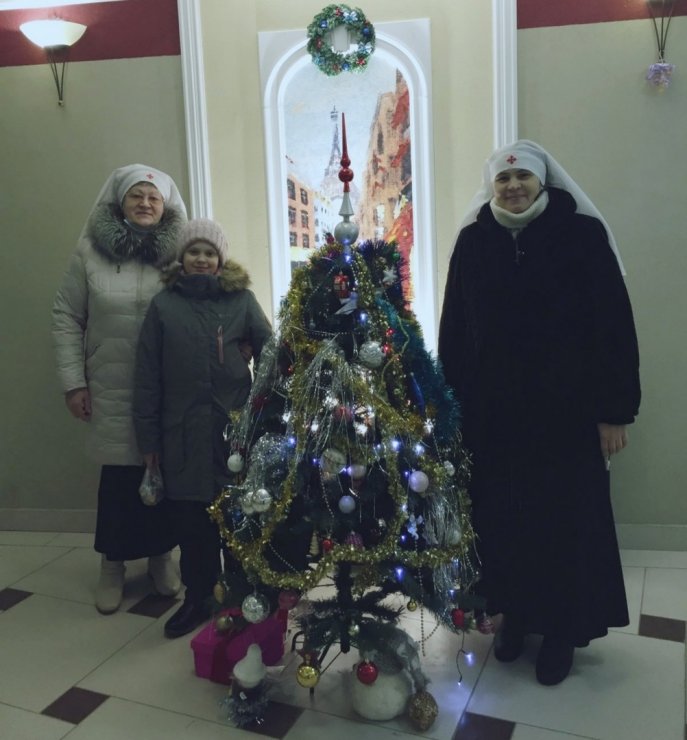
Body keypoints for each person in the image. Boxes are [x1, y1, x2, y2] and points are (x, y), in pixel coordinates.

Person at [438, 140, 640, 686]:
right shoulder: (474, 241)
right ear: (492, 187)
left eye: (523, 177)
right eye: (503, 180)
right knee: (503, 521)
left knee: (563, 523)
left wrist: (615, 411)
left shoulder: (582, 236)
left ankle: (561, 631)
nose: (513, 187)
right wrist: (447, 410)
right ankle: (516, 616)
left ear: (542, 181)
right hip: (493, 419)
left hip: (565, 418)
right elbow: (455, 329)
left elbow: (613, 328)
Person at [52, 164, 187, 614]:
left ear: (165, 205)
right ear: (120, 202)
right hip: (108, 385)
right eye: (136, 195)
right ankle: (112, 565)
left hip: (165, 389)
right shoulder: (89, 252)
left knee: (161, 472)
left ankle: (161, 557)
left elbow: (206, 309)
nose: (145, 203)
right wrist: (73, 383)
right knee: (118, 481)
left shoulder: (181, 256)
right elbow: (67, 316)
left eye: (153, 197)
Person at [132, 218, 273, 638]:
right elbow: (147, 377)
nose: (201, 259)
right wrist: (148, 439)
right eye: (193, 251)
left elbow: (271, 356)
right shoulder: (163, 306)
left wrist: (264, 413)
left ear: (220, 260)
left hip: (234, 437)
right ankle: (198, 598)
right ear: (182, 257)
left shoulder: (241, 301)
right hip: (182, 437)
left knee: (237, 520)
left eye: (209, 253)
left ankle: (240, 597)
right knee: (193, 527)